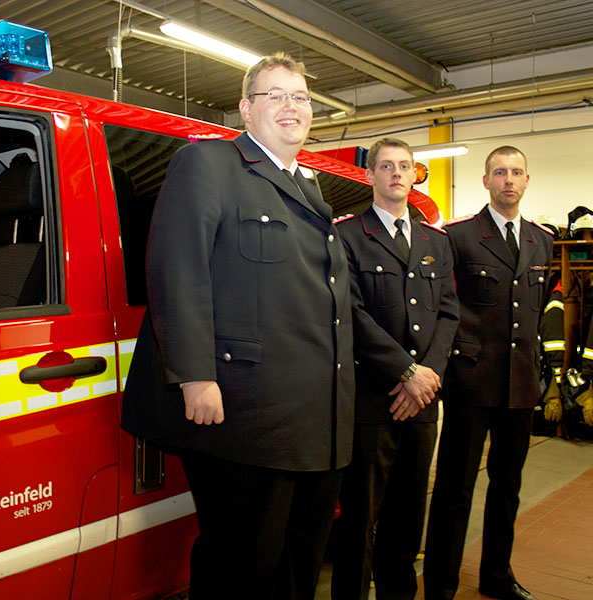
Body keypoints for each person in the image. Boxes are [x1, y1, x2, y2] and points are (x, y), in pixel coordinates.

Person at [121, 52, 354, 600]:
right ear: (246, 110)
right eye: (275, 95)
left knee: (300, 561)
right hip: (245, 413)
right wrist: (195, 375)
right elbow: (177, 270)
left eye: (300, 96)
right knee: (242, 566)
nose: (291, 106)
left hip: (316, 418)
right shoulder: (208, 164)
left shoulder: (308, 189)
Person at [330, 138, 459, 600]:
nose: (397, 173)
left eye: (405, 166)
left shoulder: (435, 242)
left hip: (422, 403)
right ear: (370, 176)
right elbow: (350, 312)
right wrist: (406, 373)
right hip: (372, 400)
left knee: (407, 520)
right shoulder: (347, 236)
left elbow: (449, 313)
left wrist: (428, 377)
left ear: (414, 174)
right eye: (386, 166)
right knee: (359, 521)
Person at [424, 146, 553, 600]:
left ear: (527, 179)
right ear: (485, 181)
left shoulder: (541, 241)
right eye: (500, 172)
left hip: (519, 384)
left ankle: (497, 576)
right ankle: (440, 584)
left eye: (516, 172)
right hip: (471, 381)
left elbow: (535, 311)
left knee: (507, 487)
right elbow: (444, 306)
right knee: (455, 489)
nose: (508, 181)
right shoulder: (458, 237)